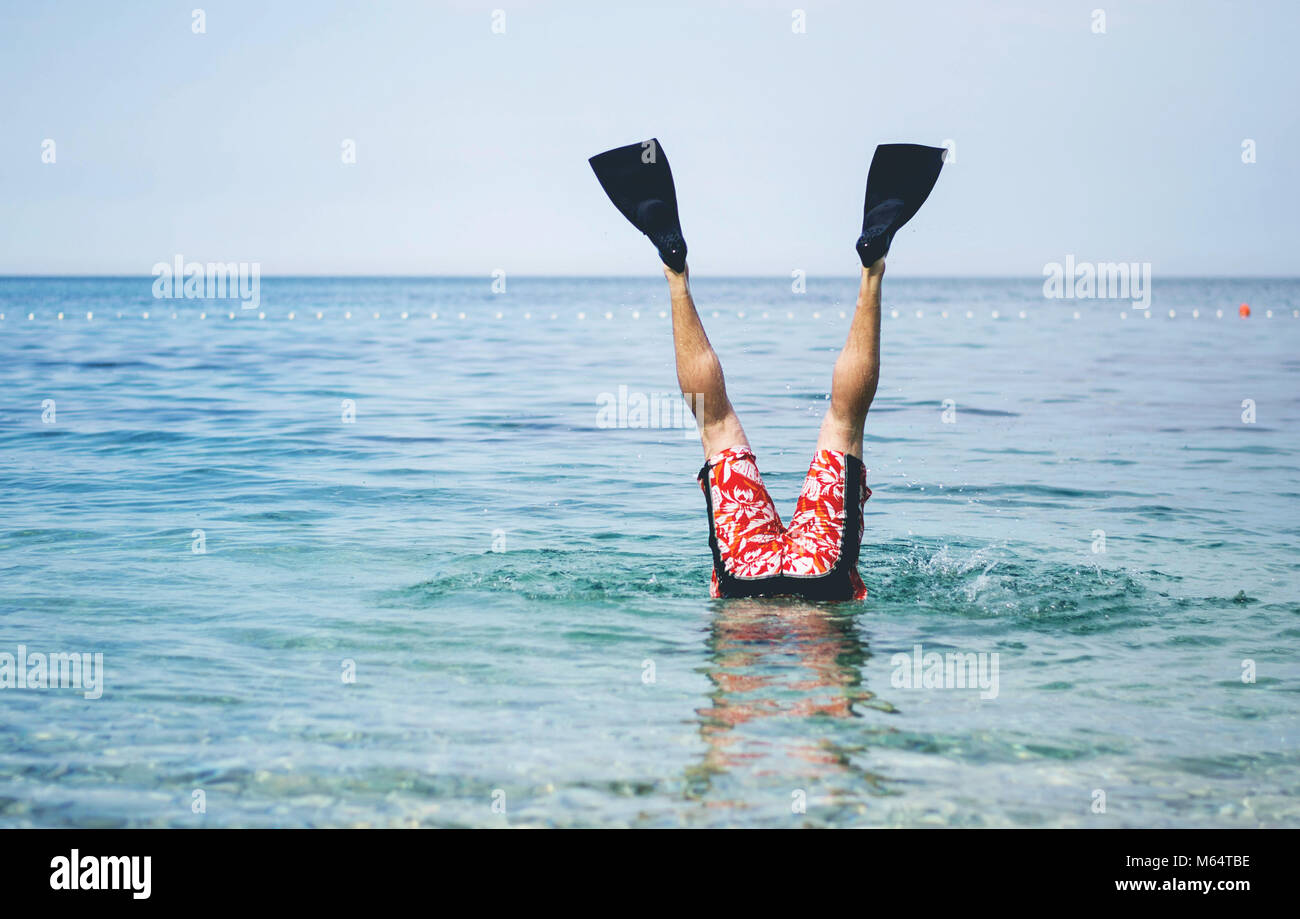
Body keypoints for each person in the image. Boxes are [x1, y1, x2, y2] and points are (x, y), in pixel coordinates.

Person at [589, 140, 944, 600]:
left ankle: (676, 268)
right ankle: (870, 261)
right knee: (737, 422)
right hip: (776, 571)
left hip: (785, 576)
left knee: (804, 420)